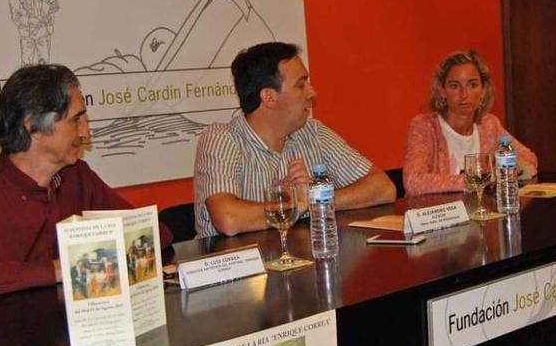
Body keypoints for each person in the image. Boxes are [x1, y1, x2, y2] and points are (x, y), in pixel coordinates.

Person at [0, 64, 172, 303]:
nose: (86, 133)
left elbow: (154, 234)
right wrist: (54, 270)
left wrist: (94, 253)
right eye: (76, 120)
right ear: (33, 127)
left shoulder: (77, 177)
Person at [194, 42, 395, 237]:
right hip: (239, 268)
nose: (312, 92)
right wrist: (294, 205)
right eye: (301, 85)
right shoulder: (221, 139)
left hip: (300, 262)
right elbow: (228, 220)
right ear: (269, 97)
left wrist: (315, 198)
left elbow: (384, 188)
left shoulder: (313, 132)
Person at [402, 49, 538, 197]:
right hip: (442, 217)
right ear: (441, 91)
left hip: (484, 214)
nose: (464, 94)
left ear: (483, 91)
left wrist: (501, 173)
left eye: (472, 85)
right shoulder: (425, 126)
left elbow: (528, 159)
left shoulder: (489, 125)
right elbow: (412, 182)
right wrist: (474, 180)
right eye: (455, 86)